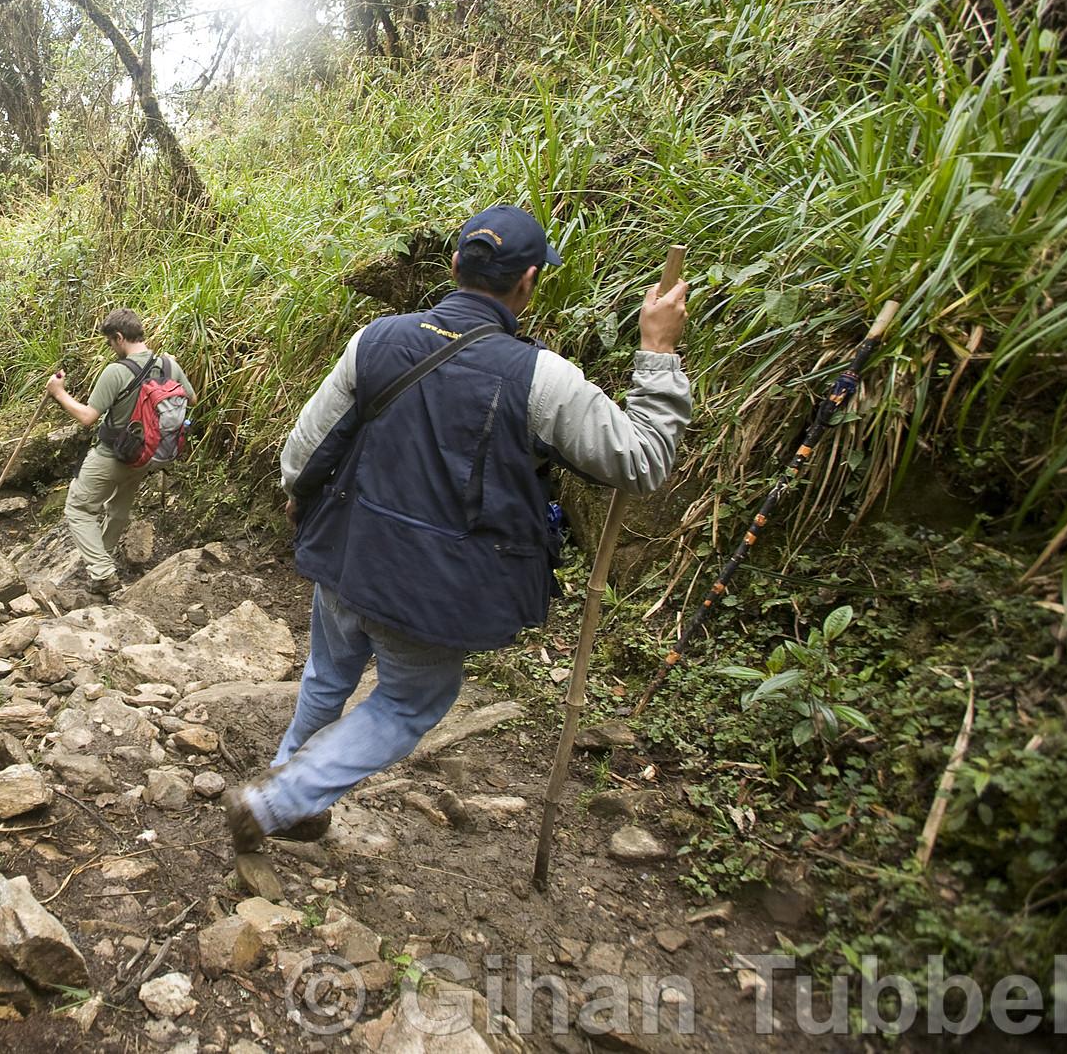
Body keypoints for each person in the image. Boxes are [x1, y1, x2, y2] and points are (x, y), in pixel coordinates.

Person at [224, 205, 691, 850]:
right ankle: (280, 799)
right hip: (431, 589)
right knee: (410, 703)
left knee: (328, 675)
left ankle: (286, 789)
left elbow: (304, 453)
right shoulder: (541, 379)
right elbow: (640, 461)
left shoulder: (377, 340)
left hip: (349, 553)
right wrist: (658, 351)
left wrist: (302, 509)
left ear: (453, 266)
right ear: (528, 282)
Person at [47, 309, 190, 595]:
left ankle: (102, 572)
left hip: (112, 455)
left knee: (78, 509)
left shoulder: (116, 371)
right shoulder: (168, 365)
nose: (111, 349)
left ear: (119, 337)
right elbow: (192, 397)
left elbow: (88, 417)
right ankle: (102, 561)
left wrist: (59, 392)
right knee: (118, 508)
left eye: (111, 343)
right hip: (147, 456)